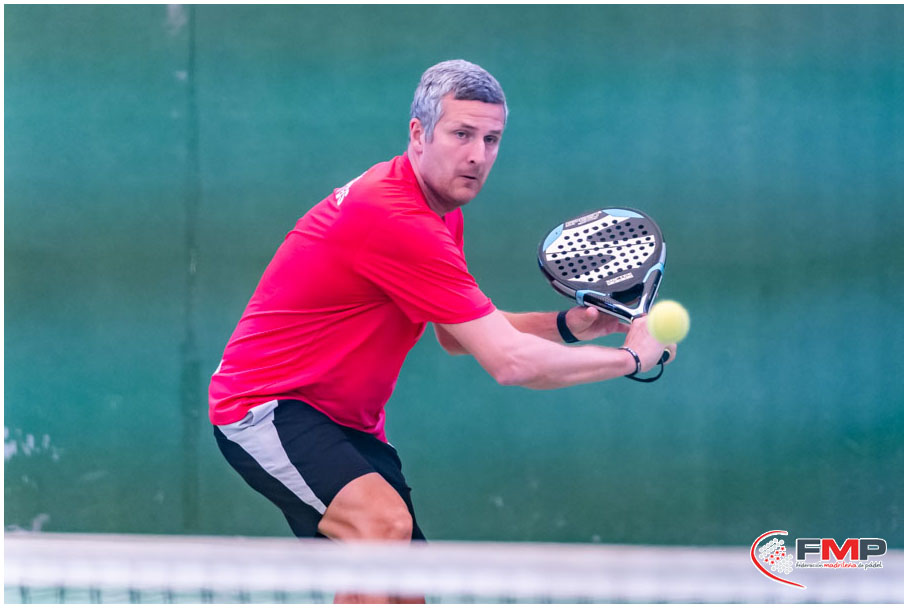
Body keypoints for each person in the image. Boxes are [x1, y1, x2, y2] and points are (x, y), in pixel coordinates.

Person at [209, 59, 675, 601]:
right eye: (461, 134)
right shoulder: (396, 218)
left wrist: (569, 326)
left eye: (491, 139)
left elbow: (456, 334)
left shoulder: (439, 213)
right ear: (418, 133)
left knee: (405, 590)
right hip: (266, 407)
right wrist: (631, 359)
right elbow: (510, 363)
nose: (478, 155)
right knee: (381, 526)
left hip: (347, 423)